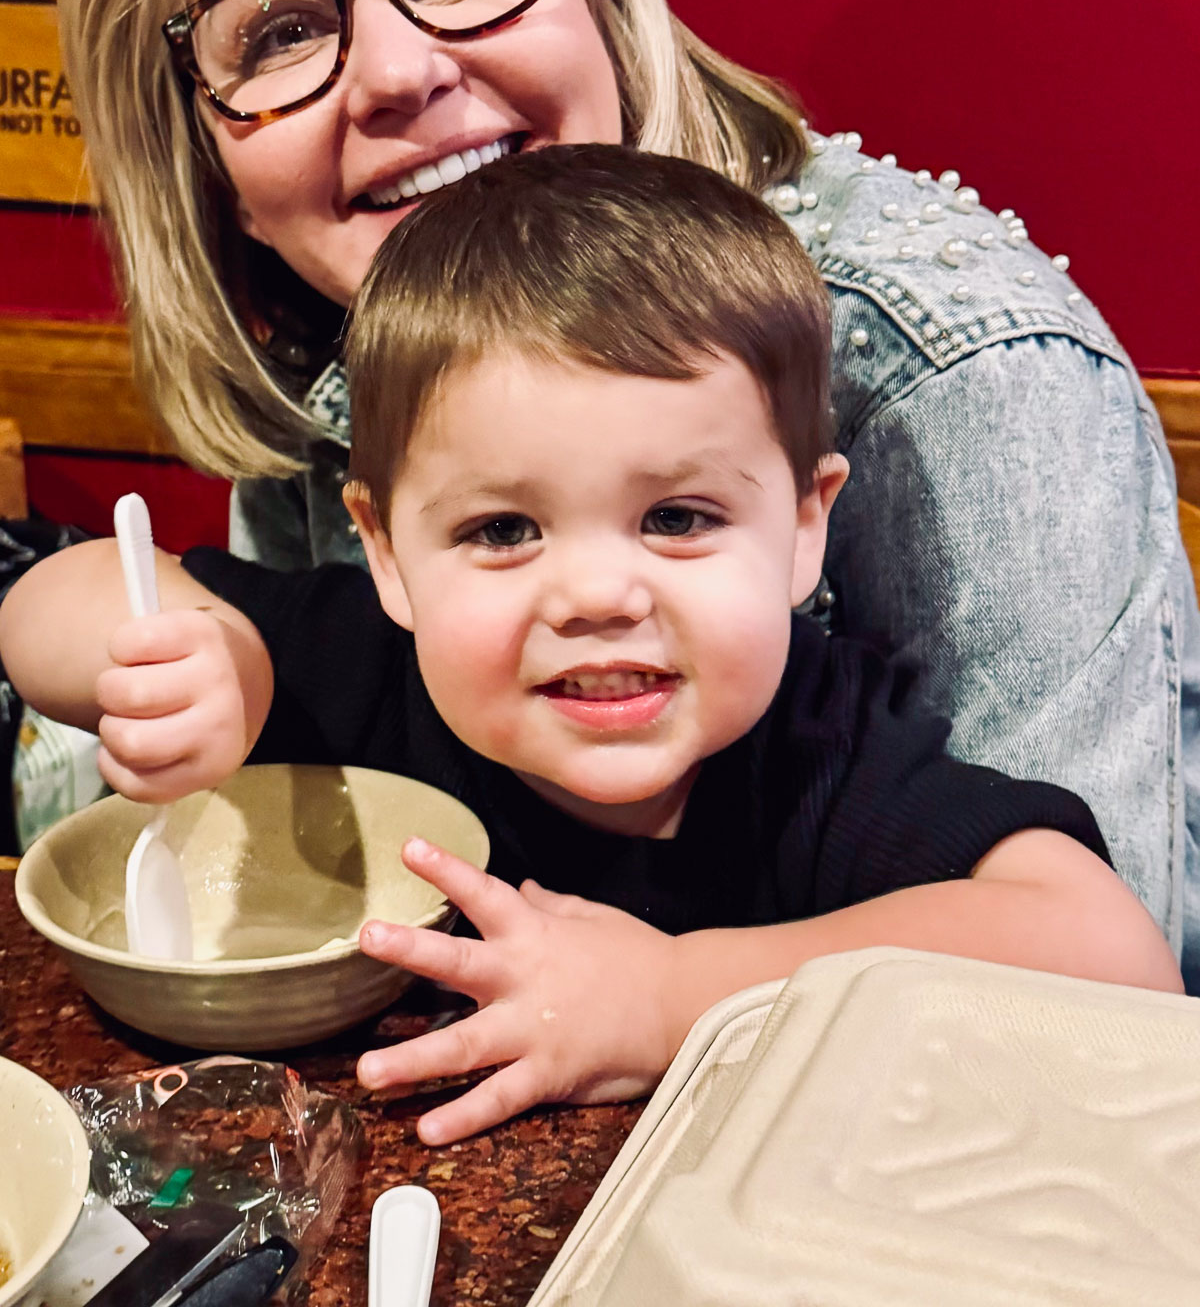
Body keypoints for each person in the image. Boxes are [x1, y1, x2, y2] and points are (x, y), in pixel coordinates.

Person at [52, 0, 1199, 971]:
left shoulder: (949, 368)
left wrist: (661, 994)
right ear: (205, 161)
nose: (401, 72)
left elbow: (1101, 1011)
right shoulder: (341, 343)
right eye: (283, 31)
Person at [0, 148, 1182, 1142]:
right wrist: (209, 654)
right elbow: (45, 601)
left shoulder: (818, 742)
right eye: (503, 529)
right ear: (390, 554)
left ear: (803, 529)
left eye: (678, 518)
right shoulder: (350, 658)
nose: (600, 594)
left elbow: (1117, 961)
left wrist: (673, 997)